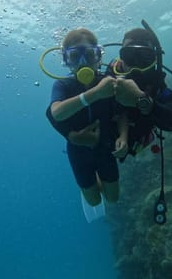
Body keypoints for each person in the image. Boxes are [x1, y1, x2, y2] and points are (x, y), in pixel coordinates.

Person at [46, 28, 129, 208]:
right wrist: (96, 93)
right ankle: (91, 186)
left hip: (105, 147)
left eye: (90, 55)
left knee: (113, 198)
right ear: (66, 61)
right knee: (93, 202)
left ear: (98, 57)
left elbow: (120, 113)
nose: (83, 63)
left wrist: (123, 137)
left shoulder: (107, 80)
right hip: (78, 152)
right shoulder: (63, 85)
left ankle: (98, 179)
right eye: (75, 56)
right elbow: (57, 112)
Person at [109, 28, 172, 159]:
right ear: (121, 58)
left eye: (144, 57)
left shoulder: (158, 88)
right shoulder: (106, 81)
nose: (135, 65)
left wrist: (143, 100)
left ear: (154, 59)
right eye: (129, 56)